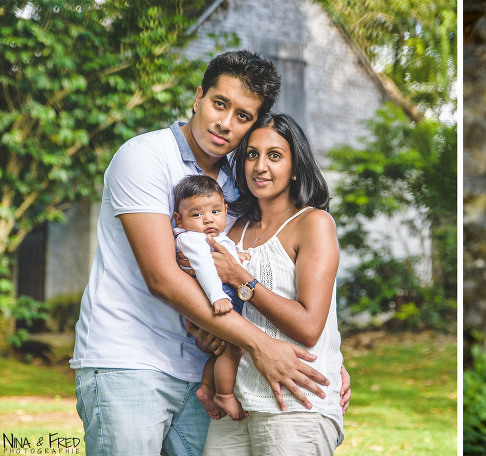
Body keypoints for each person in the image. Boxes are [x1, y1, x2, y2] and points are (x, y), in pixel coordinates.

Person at [71, 50, 349, 456]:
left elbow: (272, 274)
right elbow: (163, 277)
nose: (225, 123)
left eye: (243, 116)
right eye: (220, 104)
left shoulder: (238, 190)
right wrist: (261, 345)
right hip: (131, 361)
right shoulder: (145, 157)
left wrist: (327, 356)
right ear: (199, 97)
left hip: (210, 378)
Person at [201, 112, 344, 455]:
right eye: (252, 154)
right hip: (236, 401)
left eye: (274, 156)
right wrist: (207, 331)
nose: (260, 166)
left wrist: (242, 279)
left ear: (295, 167)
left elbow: (310, 326)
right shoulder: (234, 231)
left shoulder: (314, 224)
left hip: (297, 403)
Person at [172, 175, 251, 421]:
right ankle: (225, 395)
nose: (208, 219)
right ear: (179, 219)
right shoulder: (192, 239)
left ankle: (207, 388)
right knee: (234, 346)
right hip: (213, 297)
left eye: (216, 211)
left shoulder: (214, 236)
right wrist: (218, 297)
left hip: (219, 296)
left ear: (226, 210)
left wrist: (239, 256)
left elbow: (224, 256)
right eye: (197, 214)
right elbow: (206, 268)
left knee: (220, 351)